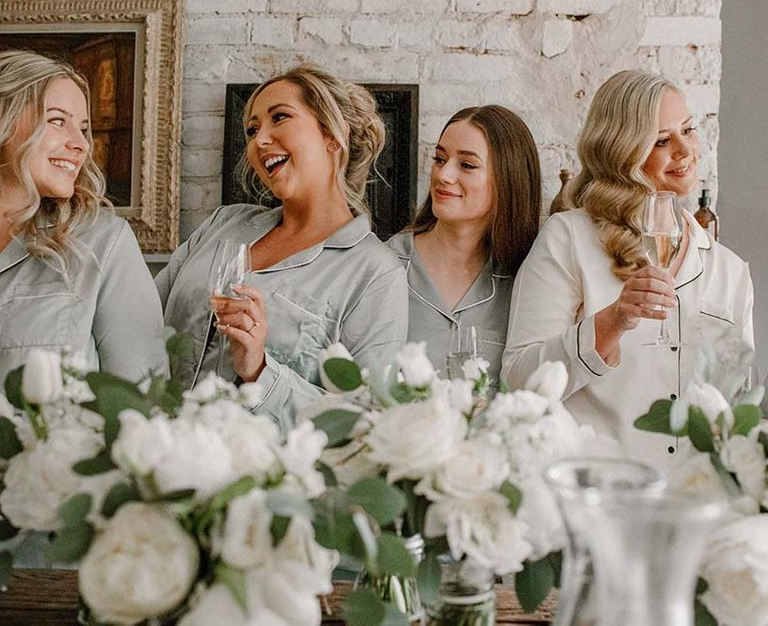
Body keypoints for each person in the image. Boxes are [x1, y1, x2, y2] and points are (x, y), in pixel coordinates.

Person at [502, 70, 754, 468]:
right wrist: (613, 321)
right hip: (593, 499)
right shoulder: (568, 238)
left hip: (694, 503)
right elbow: (518, 380)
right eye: (661, 141)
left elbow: (738, 403)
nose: (685, 150)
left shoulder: (731, 272)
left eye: (688, 130)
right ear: (623, 152)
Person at [157, 63, 408, 430]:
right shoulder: (222, 225)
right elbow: (142, 322)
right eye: (253, 129)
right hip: (155, 455)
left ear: (332, 136)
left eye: (280, 118)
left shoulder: (375, 273)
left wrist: (260, 370)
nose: (259, 140)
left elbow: (365, 422)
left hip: (257, 477)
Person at [0, 49, 167, 385]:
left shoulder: (103, 243)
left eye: (84, 128)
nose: (81, 144)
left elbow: (145, 402)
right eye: (58, 121)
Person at [387, 105, 541, 383]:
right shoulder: (385, 268)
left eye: (467, 165)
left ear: (509, 180)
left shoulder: (526, 282)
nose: (443, 175)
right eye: (439, 159)